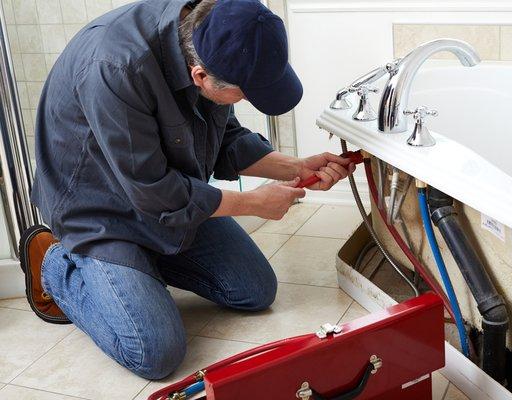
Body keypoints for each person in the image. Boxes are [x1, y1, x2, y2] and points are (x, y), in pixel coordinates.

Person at [19, 0, 355, 379]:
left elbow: (226, 138)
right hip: (101, 211)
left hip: (165, 194)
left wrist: (296, 166)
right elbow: (153, 190)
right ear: (200, 76)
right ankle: (56, 264)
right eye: (244, 94)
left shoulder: (215, 34)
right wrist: (252, 203)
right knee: (155, 353)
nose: (245, 100)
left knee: (254, 290)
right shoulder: (116, 67)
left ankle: (142, 267)